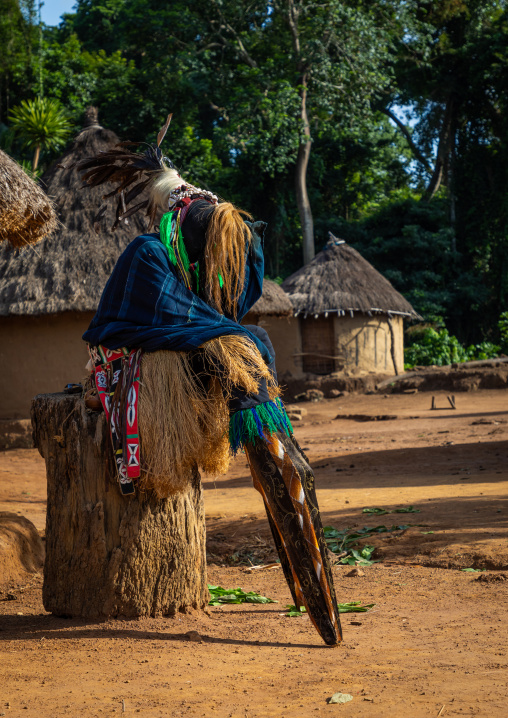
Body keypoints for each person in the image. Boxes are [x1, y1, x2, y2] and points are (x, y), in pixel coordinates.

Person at [75, 116, 342, 646]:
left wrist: (223, 332)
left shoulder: (177, 247)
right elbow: (163, 319)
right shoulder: (150, 255)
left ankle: (309, 573)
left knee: (246, 347)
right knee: (241, 344)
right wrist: (224, 335)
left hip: (201, 360)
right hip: (138, 365)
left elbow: (227, 304)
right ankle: (285, 488)